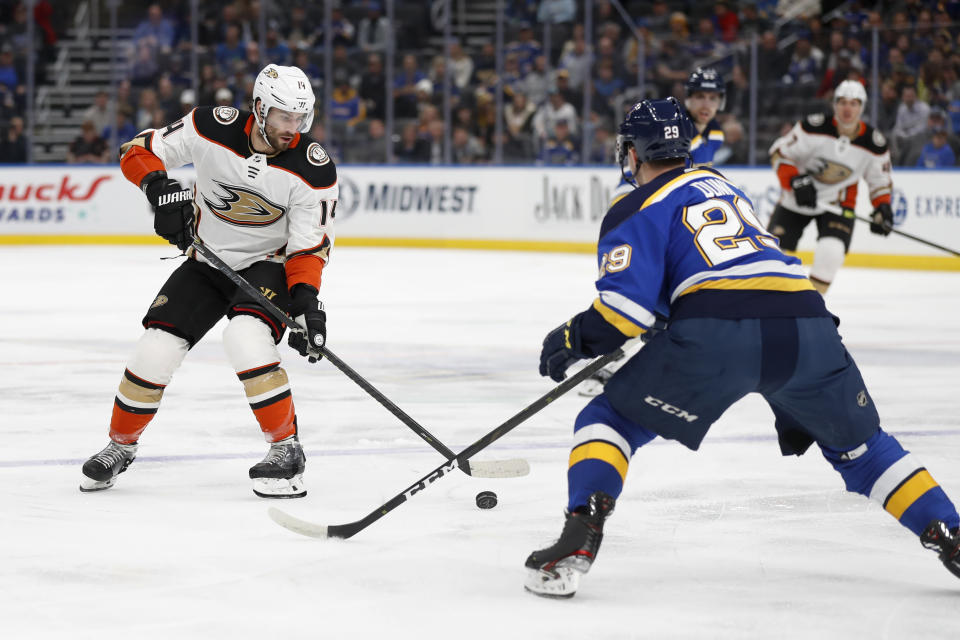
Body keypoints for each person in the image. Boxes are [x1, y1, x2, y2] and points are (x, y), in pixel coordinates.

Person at [524, 97, 960, 599]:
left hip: (719, 331)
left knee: (607, 420)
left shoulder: (634, 205)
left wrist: (572, 337)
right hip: (807, 323)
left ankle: (580, 535)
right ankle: (951, 537)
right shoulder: (726, 188)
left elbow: (626, 313)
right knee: (866, 451)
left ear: (634, 152)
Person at [79, 64, 337, 499]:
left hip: (267, 265)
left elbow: (308, 249)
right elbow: (137, 149)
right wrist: (158, 187)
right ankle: (119, 446)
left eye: (300, 118)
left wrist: (307, 303)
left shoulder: (314, 170)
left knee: (245, 338)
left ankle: (286, 448)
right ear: (258, 107)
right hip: (206, 260)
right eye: (282, 117)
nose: (292, 129)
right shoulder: (208, 126)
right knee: (154, 348)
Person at [580, 67, 727, 397]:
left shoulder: (715, 133)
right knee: (640, 288)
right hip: (640, 201)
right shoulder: (674, 123)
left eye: (713, 97)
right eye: (700, 96)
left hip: (667, 203)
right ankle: (614, 357)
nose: (706, 104)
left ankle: (642, 353)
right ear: (689, 97)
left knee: (664, 290)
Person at [766, 80, 893, 295]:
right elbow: (779, 152)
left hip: (838, 203)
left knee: (831, 253)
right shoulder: (811, 127)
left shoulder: (874, 144)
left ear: (861, 107)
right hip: (796, 198)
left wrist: (882, 207)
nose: (847, 108)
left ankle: (811, 306)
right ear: (834, 105)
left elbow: (879, 181)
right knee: (772, 258)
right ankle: (773, 302)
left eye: (854, 103)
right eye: (842, 102)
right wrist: (795, 180)